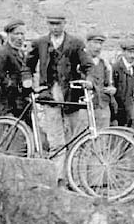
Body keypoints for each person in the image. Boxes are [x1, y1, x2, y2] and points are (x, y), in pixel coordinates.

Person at [21, 16, 95, 149]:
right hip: (49, 93)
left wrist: (89, 81)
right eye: (52, 24)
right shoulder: (40, 43)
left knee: (73, 135)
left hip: (71, 94)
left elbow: (88, 65)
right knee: (55, 136)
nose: (55, 27)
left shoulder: (76, 43)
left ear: (64, 24)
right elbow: (27, 66)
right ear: (47, 24)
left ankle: (71, 160)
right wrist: (28, 81)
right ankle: (57, 160)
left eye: (58, 24)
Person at [0, 21, 29, 119]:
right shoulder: (2, 54)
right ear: (9, 35)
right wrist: (5, 110)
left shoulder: (21, 53)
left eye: (22, 34)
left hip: (22, 105)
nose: (20, 37)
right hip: (9, 106)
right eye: (16, 34)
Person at [112, 40, 134, 128]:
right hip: (121, 113)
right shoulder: (115, 69)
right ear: (123, 52)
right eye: (130, 52)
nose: (132, 56)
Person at [85, 33, 116, 129]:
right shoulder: (81, 61)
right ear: (87, 43)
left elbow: (109, 83)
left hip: (103, 105)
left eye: (100, 44)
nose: (98, 47)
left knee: (103, 133)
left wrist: (112, 89)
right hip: (85, 106)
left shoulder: (104, 64)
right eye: (95, 43)